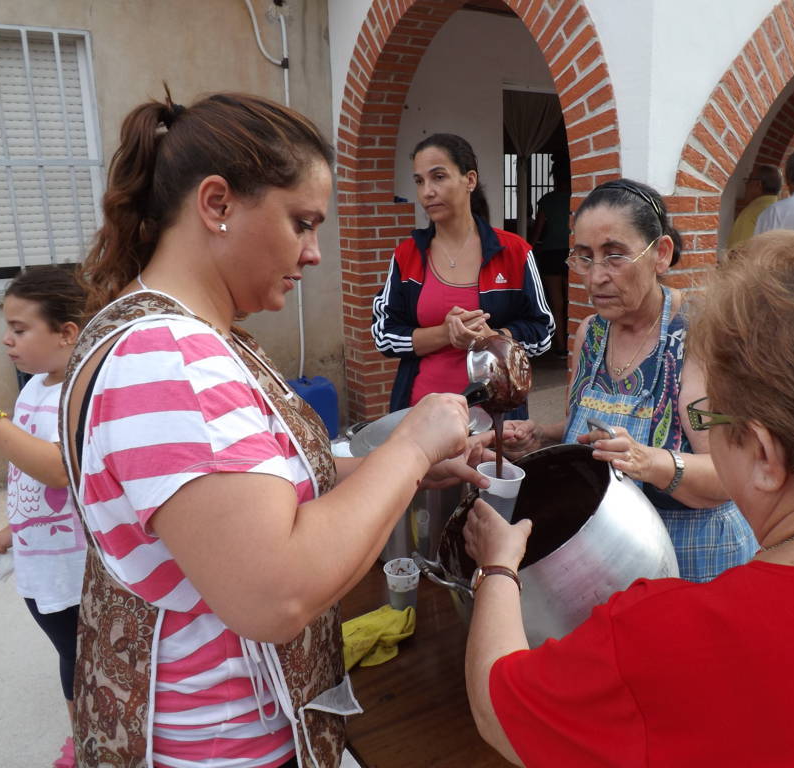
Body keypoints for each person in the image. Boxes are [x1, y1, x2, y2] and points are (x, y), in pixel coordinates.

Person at [462, 230, 794, 767]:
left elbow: (497, 707)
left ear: (765, 456)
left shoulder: (666, 639)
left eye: (708, 420)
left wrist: (498, 566)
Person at [60, 92, 484, 768]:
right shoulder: (169, 360)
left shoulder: (186, 336)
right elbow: (275, 592)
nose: (313, 253)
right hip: (220, 744)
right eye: (301, 223)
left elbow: (258, 488)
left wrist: (394, 473)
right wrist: (409, 447)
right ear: (217, 204)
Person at [501, 178, 757, 583]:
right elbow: (586, 432)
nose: (595, 277)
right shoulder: (591, 335)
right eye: (585, 257)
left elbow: (730, 474)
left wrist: (647, 461)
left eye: (614, 256)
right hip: (613, 553)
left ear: (661, 254)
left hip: (692, 557)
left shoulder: (697, 340)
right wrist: (543, 437)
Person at [372, 133, 554, 418]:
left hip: (496, 420)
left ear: (470, 180)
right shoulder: (407, 256)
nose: (427, 192)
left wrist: (494, 337)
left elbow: (542, 332)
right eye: (419, 181)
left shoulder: (514, 252)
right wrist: (445, 334)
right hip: (421, 417)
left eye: (438, 177)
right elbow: (384, 334)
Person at [0, 266, 86, 768]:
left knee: (80, 660)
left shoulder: (80, 393)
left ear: (66, 332)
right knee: (71, 656)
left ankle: (88, 744)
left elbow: (57, 470)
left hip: (73, 571)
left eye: (20, 329)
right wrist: (15, 527)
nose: (7, 339)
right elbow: (28, 475)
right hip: (37, 560)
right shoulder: (34, 388)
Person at [530, 157, 572, 356]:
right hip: (572, 252)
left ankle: (561, 346)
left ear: (554, 177)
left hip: (551, 254)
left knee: (556, 304)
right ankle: (573, 344)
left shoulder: (547, 200)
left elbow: (537, 231)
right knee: (572, 301)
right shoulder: (576, 198)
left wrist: (529, 250)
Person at [724, 163, 781, 248]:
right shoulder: (782, 210)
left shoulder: (751, 213)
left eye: (748, 180)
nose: (746, 185)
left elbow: (738, 250)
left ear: (758, 184)